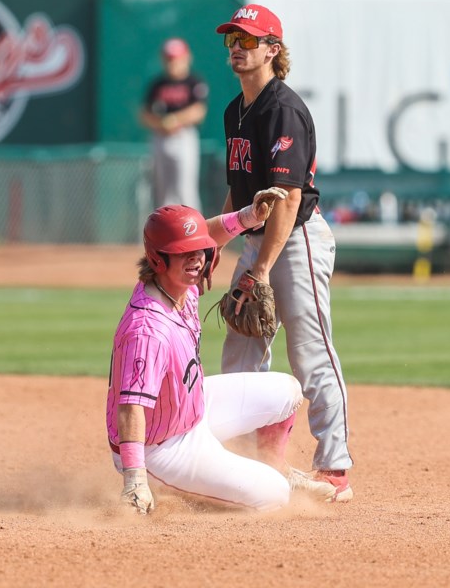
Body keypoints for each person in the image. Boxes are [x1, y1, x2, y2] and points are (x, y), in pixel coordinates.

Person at [106, 194, 336, 514]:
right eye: (184, 253)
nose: (197, 259)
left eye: (199, 250)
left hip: (192, 407)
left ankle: (273, 466)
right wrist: (135, 478)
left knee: (286, 391)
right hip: (159, 446)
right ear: (159, 259)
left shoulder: (178, 281)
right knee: (275, 495)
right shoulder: (148, 329)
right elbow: (130, 408)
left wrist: (249, 216)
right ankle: (164, 485)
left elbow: (206, 234)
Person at [213, 3, 355, 502]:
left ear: (274, 49)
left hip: (296, 239)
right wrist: (219, 241)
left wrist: (262, 271)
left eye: (249, 40)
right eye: (233, 40)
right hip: (259, 239)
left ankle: (334, 468)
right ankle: (254, 463)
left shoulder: (283, 109)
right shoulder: (236, 110)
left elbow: (287, 199)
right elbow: (239, 188)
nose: (237, 48)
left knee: (309, 351)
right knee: (241, 349)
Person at [139, 37, 209, 211]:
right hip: (161, 137)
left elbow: (199, 111)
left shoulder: (194, 81)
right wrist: (161, 122)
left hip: (184, 136)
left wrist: (175, 119)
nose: (173, 63)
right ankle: (165, 231)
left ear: (186, 58)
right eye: (169, 58)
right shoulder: (157, 84)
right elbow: (145, 114)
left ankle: (192, 231)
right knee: (162, 191)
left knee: (185, 189)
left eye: (176, 58)